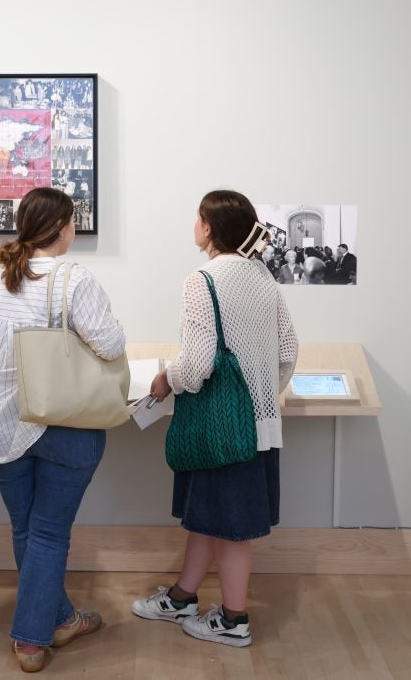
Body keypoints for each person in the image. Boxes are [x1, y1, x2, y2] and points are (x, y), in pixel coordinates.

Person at [0, 187, 125, 672]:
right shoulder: (72, 280)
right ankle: (32, 641)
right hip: (63, 423)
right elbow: (111, 342)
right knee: (50, 533)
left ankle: (62, 619)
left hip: (1, 426)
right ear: (62, 227)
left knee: (27, 529)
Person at [133, 190, 297, 648]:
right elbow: (288, 351)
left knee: (231, 526)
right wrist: (261, 394)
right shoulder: (264, 278)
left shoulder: (201, 280)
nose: (194, 225)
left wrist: (168, 377)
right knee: (209, 517)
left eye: (197, 219)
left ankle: (233, 619)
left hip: (218, 426)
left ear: (208, 227)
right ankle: (184, 596)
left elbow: (200, 363)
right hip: (257, 426)